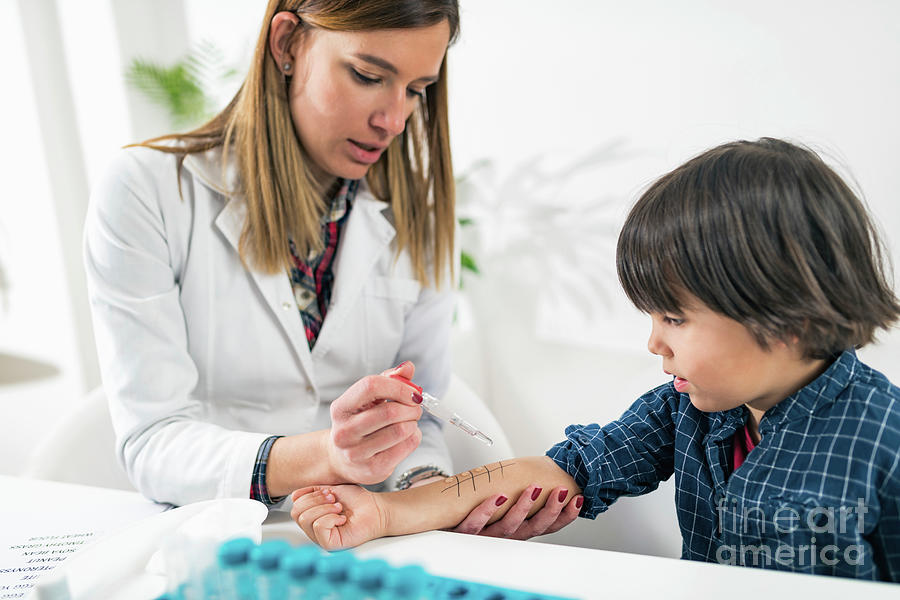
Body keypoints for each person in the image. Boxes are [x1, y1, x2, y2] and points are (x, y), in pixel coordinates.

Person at [291, 138, 900, 582]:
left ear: (786, 316)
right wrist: (384, 510)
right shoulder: (686, 411)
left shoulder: (885, 444)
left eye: (675, 319)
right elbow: (561, 472)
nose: (654, 343)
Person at [84, 0, 575, 536]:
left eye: (416, 90)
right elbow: (153, 440)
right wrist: (328, 455)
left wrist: (427, 493)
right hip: (210, 538)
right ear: (287, 43)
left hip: (366, 538)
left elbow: (424, 414)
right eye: (368, 75)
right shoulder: (149, 192)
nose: (393, 120)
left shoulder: (421, 218)